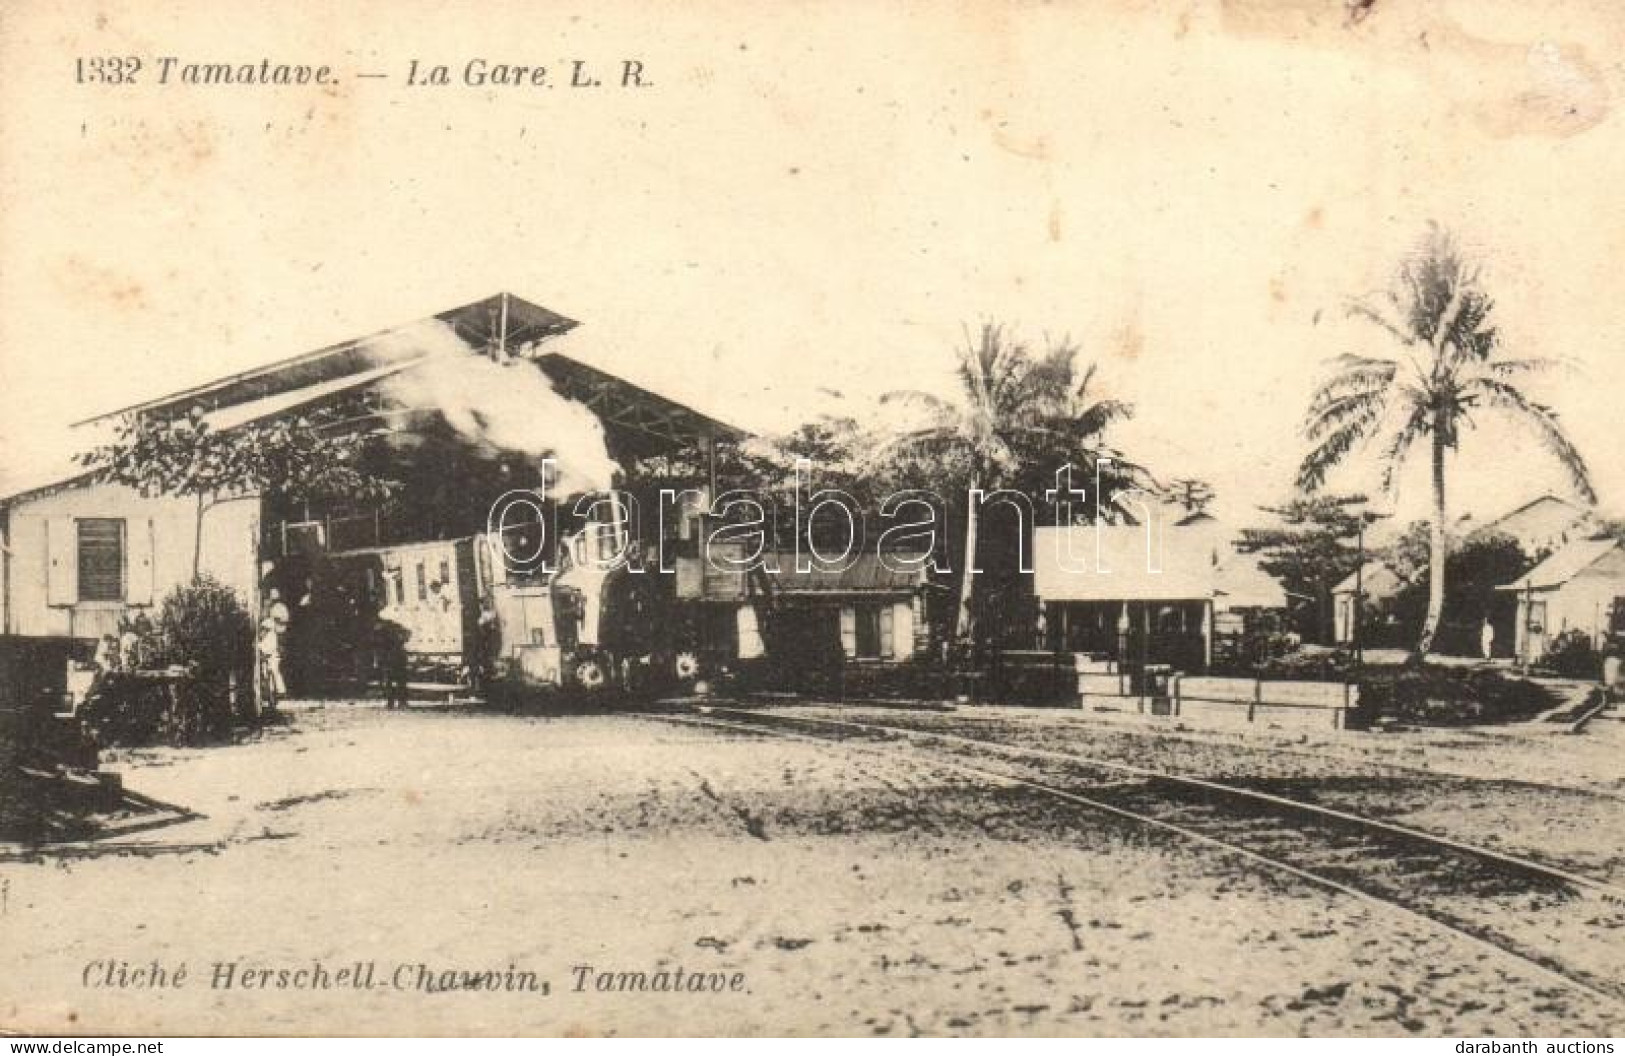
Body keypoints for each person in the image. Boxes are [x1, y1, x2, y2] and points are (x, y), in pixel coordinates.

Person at [374, 604, 411, 710]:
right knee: (401, 680)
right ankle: (402, 702)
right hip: (399, 655)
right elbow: (407, 636)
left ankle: (391, 702)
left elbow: (377, 643)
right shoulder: (399, 627)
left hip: (388, 656)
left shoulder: (381, 629)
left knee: (389, 680)